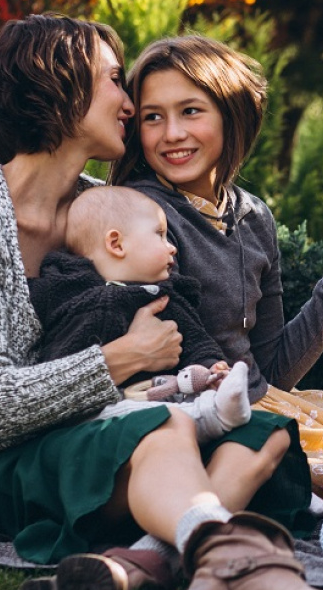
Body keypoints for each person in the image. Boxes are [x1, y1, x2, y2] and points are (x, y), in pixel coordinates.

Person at [0, 13, 323, 590]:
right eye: (115, 81)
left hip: (77, 439)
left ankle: (141, 564)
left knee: (266, 432)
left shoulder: (104, 210)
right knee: (161, 429)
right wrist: (123, 359)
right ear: (58, 86)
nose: (128, 101)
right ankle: (228, 560)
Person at [109, 35, 323, 498]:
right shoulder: (140, 216)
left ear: (232, 116)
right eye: (153, 117)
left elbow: (273, 368)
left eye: (191, 111)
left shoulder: (252, 217)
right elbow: (183, 360)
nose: (171, 134)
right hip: (197, 416)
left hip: (262, 399)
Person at [29, 184, 252, 442]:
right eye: (159, 235)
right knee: (161, 419)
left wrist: (212, 368)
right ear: (116, 244)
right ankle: (213, 417)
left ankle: (215, 409)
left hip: (160, 399)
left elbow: (197, 341)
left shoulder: (166, 298)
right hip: (88, 416)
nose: (172, 247)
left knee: (174, 416)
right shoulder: (65, 290)